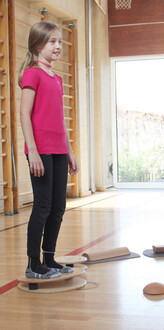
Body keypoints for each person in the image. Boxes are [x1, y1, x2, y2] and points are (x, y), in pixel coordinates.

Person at [18, 21, 79, 279]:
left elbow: (59, 121)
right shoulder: (33, 73)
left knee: (58, 207)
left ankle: (49, 259)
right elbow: (24, 113)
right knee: (42, 206)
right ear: (38, 45)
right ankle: (33, 264)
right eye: (52, 41)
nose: (58, 46)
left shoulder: (57, 78)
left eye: (59, 42)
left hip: (57, 150)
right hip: (40, 150)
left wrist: (70, 152)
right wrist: (32, 151)